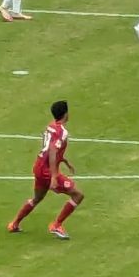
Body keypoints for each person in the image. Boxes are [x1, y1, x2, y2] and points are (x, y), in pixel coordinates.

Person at [7, 99, 83, 238]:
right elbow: (53, 150)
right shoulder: (62, 132)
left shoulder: (51, 126)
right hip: (48, 170)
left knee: (37, 198)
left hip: (39, 166)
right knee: (78, 194)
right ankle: (57, 225)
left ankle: (14, 224)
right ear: (66, 114)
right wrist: (54, 176)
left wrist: (64, 160)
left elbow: (50, 148)